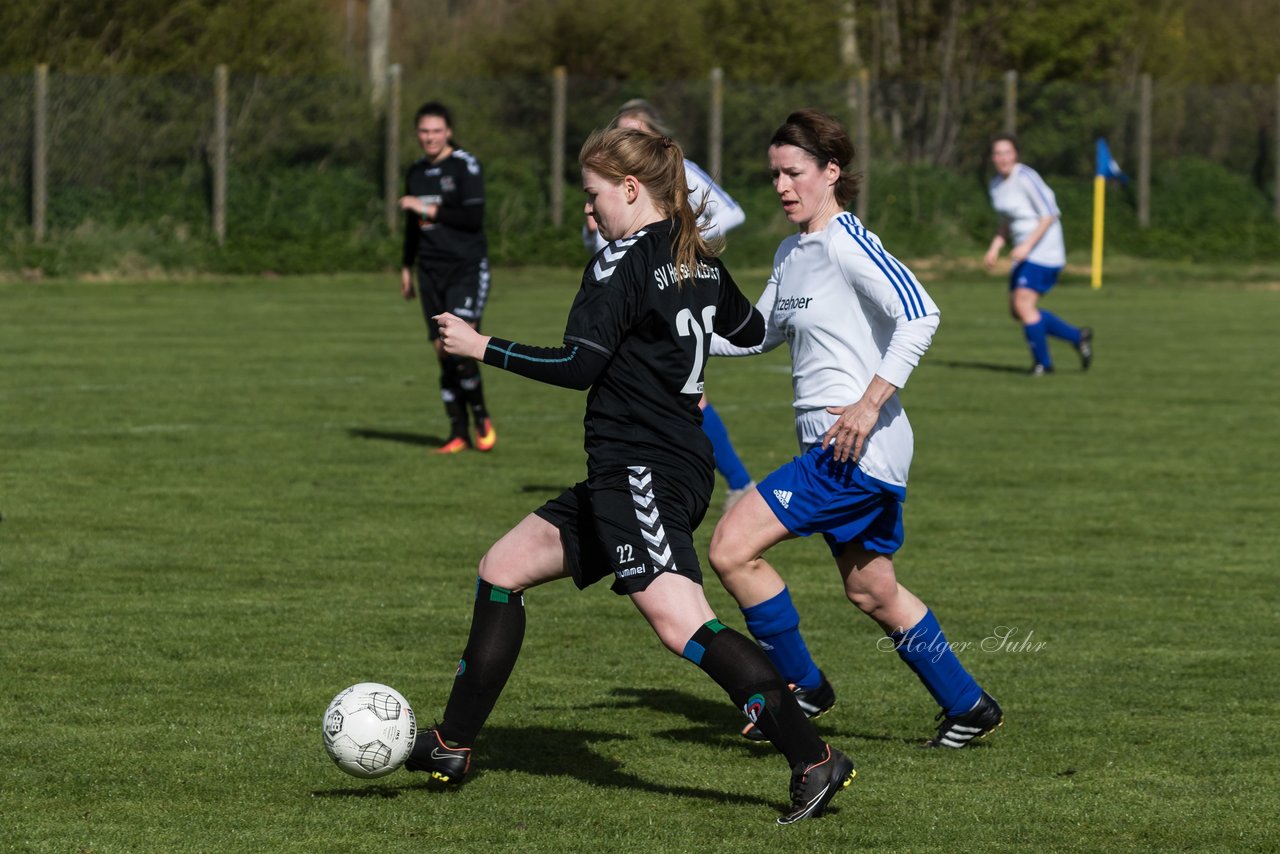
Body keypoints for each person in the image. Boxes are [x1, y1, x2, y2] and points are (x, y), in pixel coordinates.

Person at [405, 126, 856, 825]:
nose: (588, 213)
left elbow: (578, 366)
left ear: (629, 188)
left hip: (642, 468)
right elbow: (741, 330)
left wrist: (480, 344)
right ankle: (451, 743)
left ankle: (813, 757)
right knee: (503, 567)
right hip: (648, 463)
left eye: (592, 197)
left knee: (683, 623)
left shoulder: (620, 262)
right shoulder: (693, 253)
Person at [708, 109, 1003, 749]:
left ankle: (801, 687)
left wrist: (869, 404)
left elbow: (921, 315)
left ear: (831, 172)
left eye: (794, 173)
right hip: (837, 450)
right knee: (871, 589)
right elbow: (760, 334)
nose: (783, 186)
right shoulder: (793, 252)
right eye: (775, 175)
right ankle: (968, 704)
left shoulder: (848, 242)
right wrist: (685, 341)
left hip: (857, 449)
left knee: (732, 546)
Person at [584, 98, 755, 511]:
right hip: (629, 291)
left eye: (635, 132)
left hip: (670, 291)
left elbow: (731, 213)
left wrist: (683, 241)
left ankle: (734, 480)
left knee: (685, 393)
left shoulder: (677, 172)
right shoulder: (611, 183)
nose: (627, 141)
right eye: (620, 132)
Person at [399, 101, 498, 453]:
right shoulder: (415, 171)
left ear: (449, 132)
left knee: (460, 346)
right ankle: (457, 431)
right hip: (429, 271)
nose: (430, 137)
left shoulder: (465, 166)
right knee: (442, 350)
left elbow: (472, 218)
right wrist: (406, 267)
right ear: (417, 134)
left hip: (465, 268)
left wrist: (423, 207)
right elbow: (412, 229)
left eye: (436, 131)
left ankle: (481, 416)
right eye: (424, 131)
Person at [984, 133, 1093, 375]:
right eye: (997, 153)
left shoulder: (1026, 177)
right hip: (1024, 254)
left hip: (1045, 249)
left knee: (1023, 304)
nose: (1002, 158)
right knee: (1017, 310)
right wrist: (994, 247)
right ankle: (1078, 336)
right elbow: (1005, 222)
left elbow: (1049, 213)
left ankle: (1043, 364)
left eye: (1007, 152)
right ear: (992, 157)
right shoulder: (995, 185)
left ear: (1016, 154)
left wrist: (1026, 246)